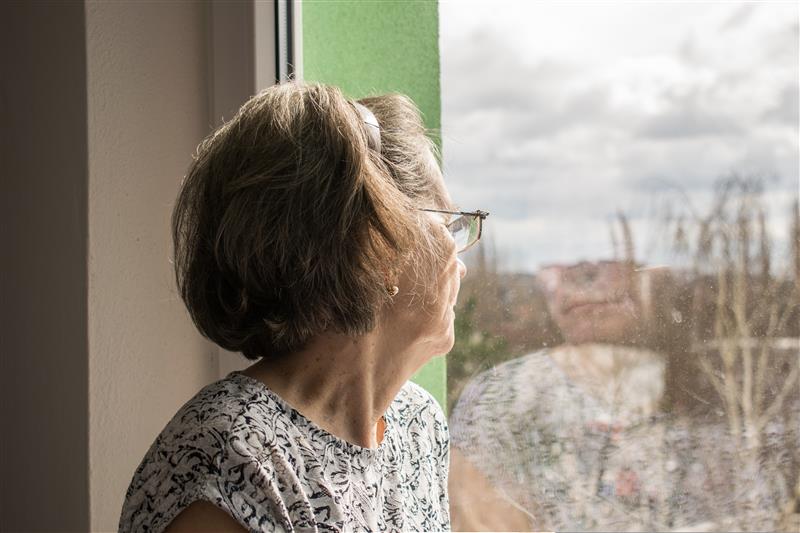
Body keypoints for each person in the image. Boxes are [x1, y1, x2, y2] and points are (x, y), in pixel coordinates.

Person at [118, 82, 487, 532]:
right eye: (449, 225)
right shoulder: (233, 456)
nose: (459, 260)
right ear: (381, 244)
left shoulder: (419, 427)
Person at [449, 259, 798, 532]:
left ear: (658, 273)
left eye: (611, 253)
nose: (583, 274)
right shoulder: (504, 398)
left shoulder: (738, 386)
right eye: (561, 257)